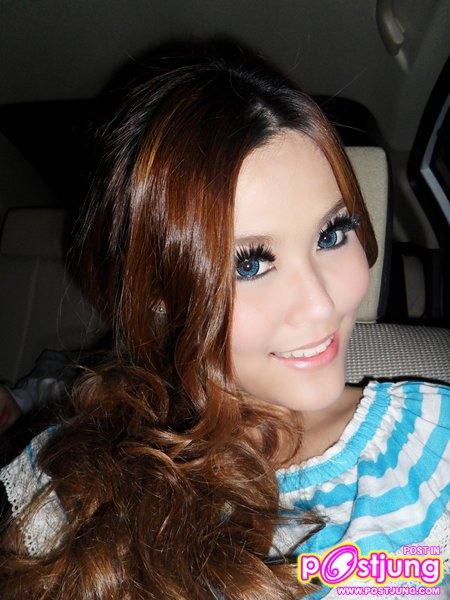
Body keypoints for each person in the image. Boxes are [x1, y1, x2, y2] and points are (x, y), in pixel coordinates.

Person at [0, 43, 448, 600]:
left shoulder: (433, 441)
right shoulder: (75, 475)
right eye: (249, 264)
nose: (319, 305)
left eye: (332, 234)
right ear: (160, 298)